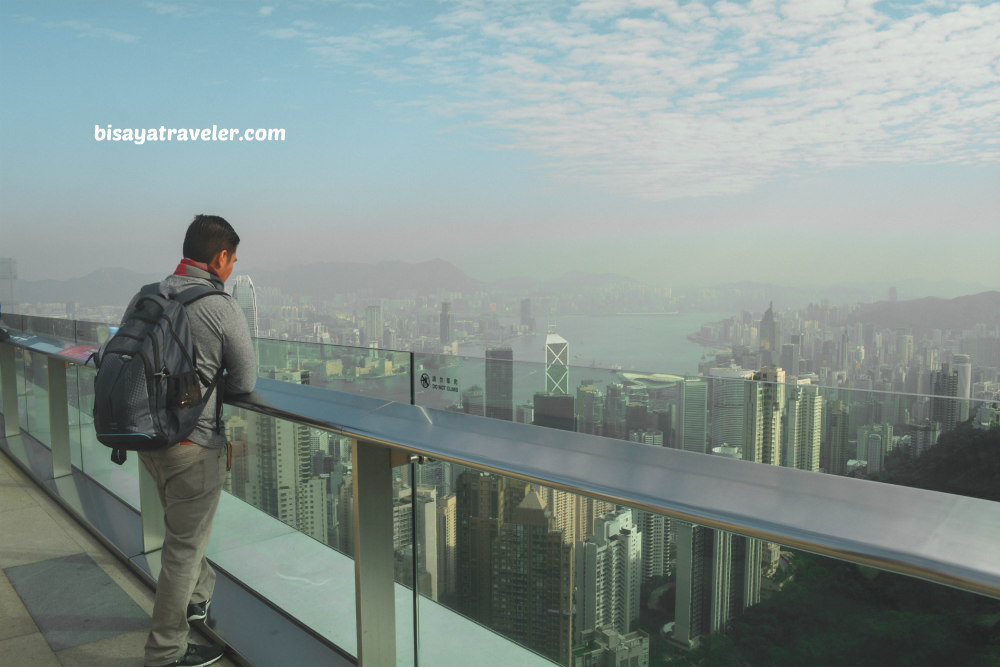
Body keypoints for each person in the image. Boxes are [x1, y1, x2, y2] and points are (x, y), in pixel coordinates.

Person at [127, 215, 257, 667]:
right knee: (182, 550)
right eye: (233, 260)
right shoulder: (220, 307)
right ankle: (164, 653)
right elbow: (244, 379)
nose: (233, 268)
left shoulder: (149, 295)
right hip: (193, 447)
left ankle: (199, 598)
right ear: (220, 258)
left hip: (146, 439)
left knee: (184, 535)